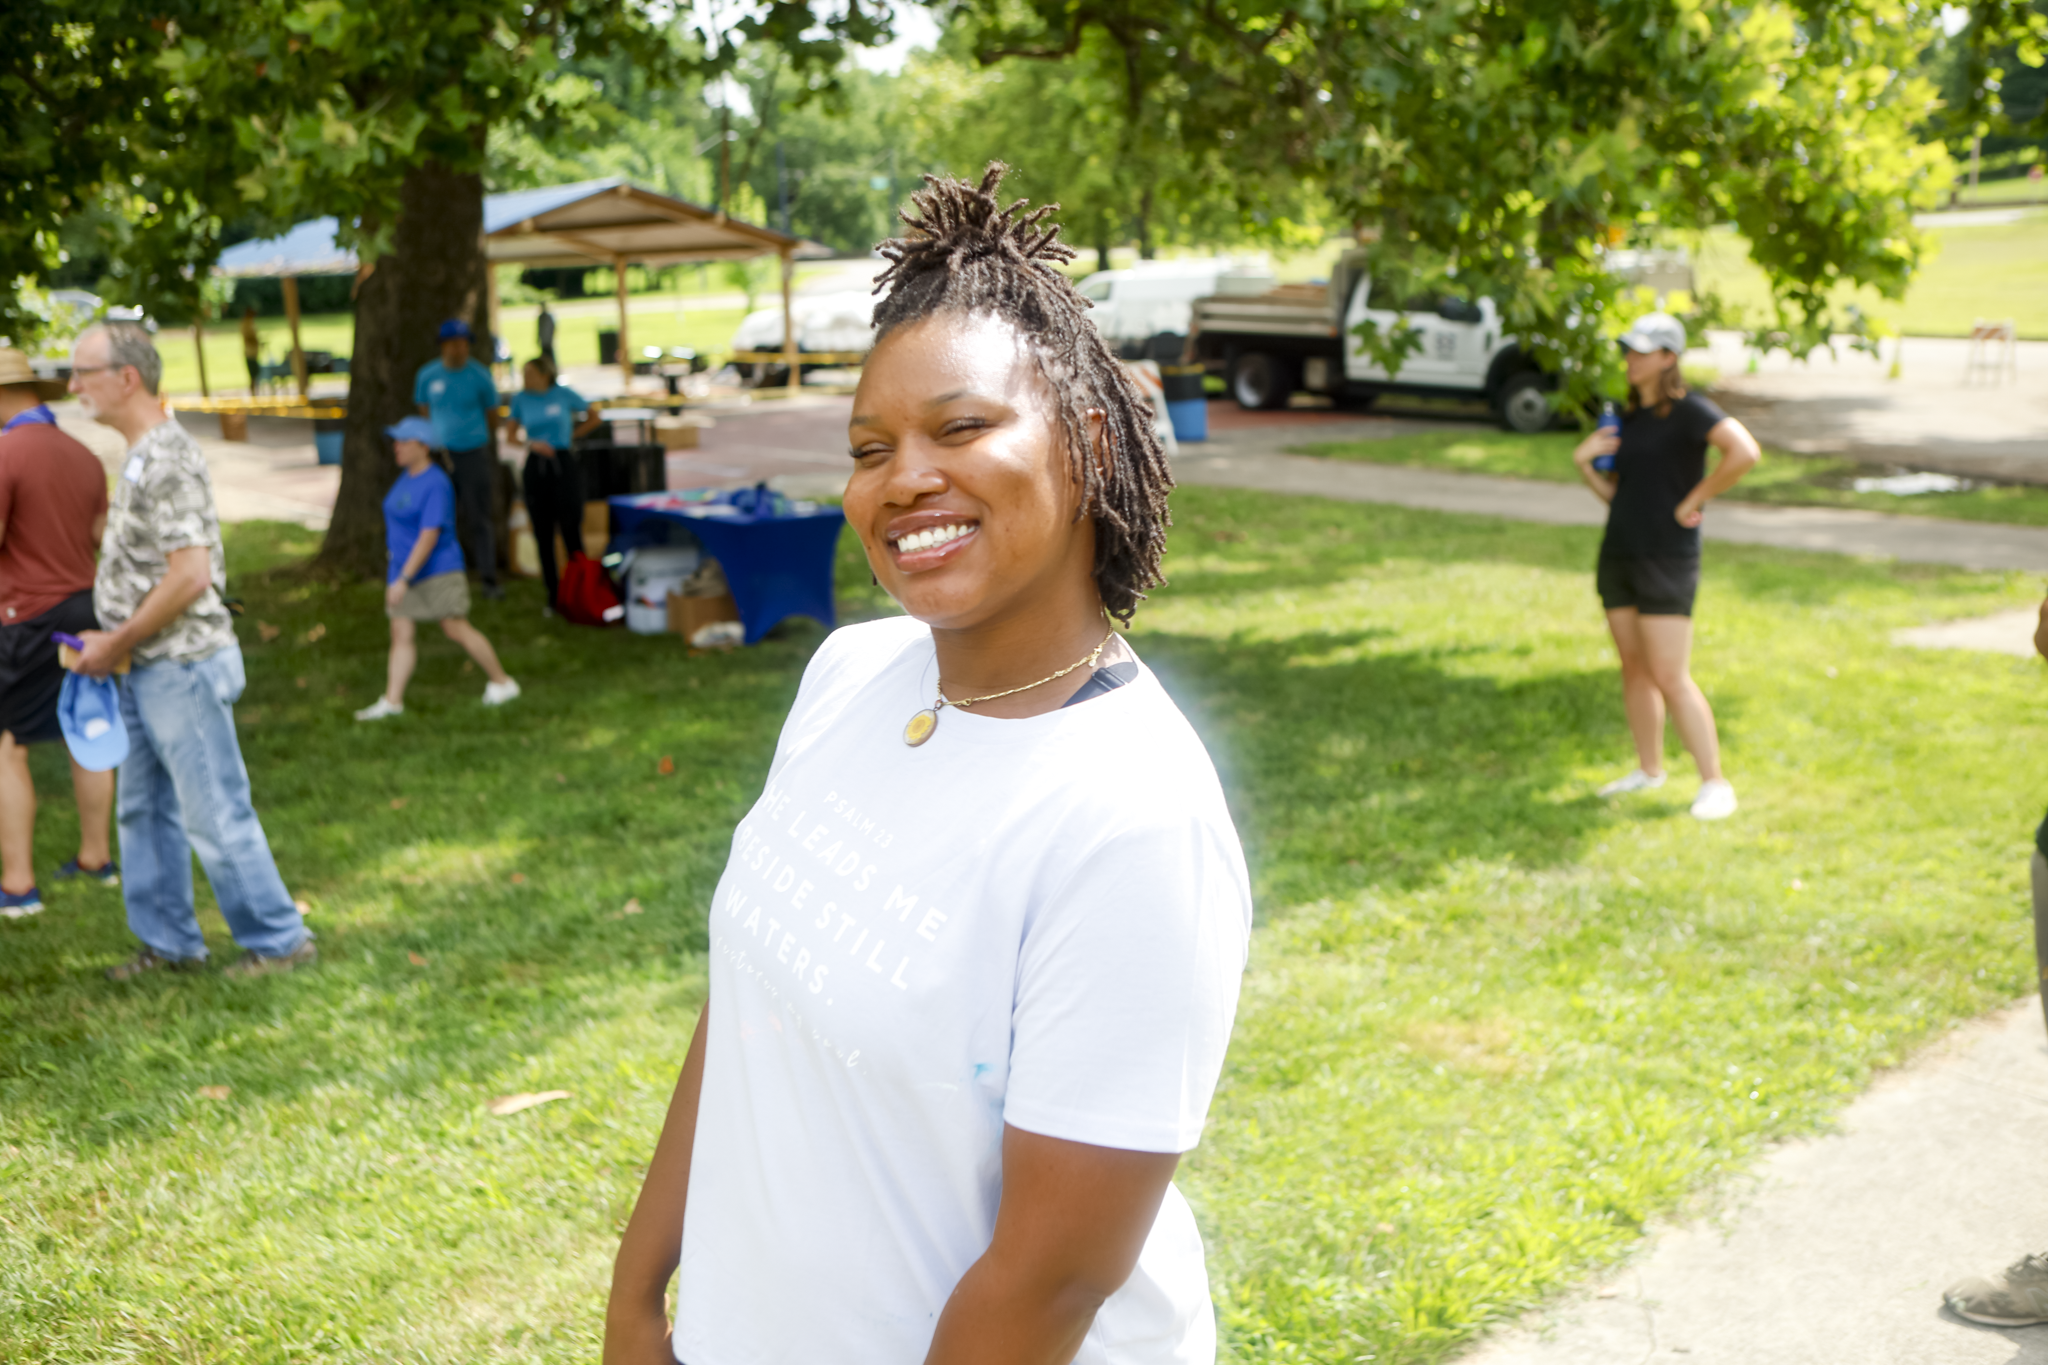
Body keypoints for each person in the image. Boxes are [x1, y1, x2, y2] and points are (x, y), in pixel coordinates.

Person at [605, 165, 1252, 1365]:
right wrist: (640, 1300)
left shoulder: (1131, 816)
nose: (903, 479)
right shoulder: (849, 678)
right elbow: (750, 1009)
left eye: (960, 427)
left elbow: (1044, 1288)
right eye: (868, 448)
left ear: (1086, 438)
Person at [65, 321, 315, 980]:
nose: (73, 385)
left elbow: (190, 575)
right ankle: (170, 943)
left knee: (214, 810)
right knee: (143, 810)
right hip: (145, 665)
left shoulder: (170, 457)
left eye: (83, 371)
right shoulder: (144, 451)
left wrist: (114, 639)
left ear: (127, 377)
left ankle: (279, 941)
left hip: (182, 667)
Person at [1572, 312, 1759, 821]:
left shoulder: (1690, 411)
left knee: (1670, 674)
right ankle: (1649, 770)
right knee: (1634, 667)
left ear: (1669, 358)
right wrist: (1585, 464)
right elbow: (1620, 498)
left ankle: (1715, 783)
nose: (1631, 359)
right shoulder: (1626, 422)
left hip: (1668, 558)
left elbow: (1744, 451)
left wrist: (1696, 497)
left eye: (1642, 351)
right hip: (1620, 553)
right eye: (1628, 350)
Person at [0, 348, 116, 919]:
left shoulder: (5, 453)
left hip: (23, 617)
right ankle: (98, 858)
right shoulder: (84, 455)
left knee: (6, 746)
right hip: (85, 609)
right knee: (86, 733)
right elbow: (102, 536)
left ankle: (18, 886)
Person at [353, 417, 519, 720]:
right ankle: (392, 702)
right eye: (396, 441)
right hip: (403, 571)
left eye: (404, 442)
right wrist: (399, 575)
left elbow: (429, 536)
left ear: (423, 447)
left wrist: (403, 578)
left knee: (455, 627)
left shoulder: (436, 483)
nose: (396, 447)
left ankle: (503, 682)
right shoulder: (406, 477)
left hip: (436, 569)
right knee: (400, 631)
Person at [413, 318, 504, 600]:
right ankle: (442, 577)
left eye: (464, 344)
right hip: (441, 455)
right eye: (454, 344)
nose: (460, 349)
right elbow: (423, 409)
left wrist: (478, 438)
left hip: (473, 452)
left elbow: (492, 413)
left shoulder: (479, 375)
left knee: (479, 517)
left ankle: (489, 578)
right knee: (440, 518)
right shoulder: (428, 375)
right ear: (444, 346)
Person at [507, 358, 600, 615]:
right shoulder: (520, 399)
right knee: (542, 532)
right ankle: (553, 594)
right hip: (536, 465)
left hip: (563, 462)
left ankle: (581, 589)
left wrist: (573, 435)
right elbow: (511, 435)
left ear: (545, 375)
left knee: (571, 526)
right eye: (524, 374)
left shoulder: (563, 394)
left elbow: (594, 416)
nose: (526, 379)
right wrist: (531, 444)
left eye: (531, 374)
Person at [240, 306, 261, 394]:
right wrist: (255, 342)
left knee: (255, 373)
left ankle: (255, 392)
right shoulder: (246, 324)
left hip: (253, 352)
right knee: (253, 374)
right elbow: (248, 338)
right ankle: (253, 393)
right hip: (250, 352)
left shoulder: (250, 323)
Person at [537, 301, 558, 370]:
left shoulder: (549, 316)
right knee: (544, 357)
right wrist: (538, 338)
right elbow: (539, 329)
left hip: (549, 340)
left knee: (551, 357)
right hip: (543, 340)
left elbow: (553, 328)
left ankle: (554, 371)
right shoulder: (540, 317)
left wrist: (552, 338)